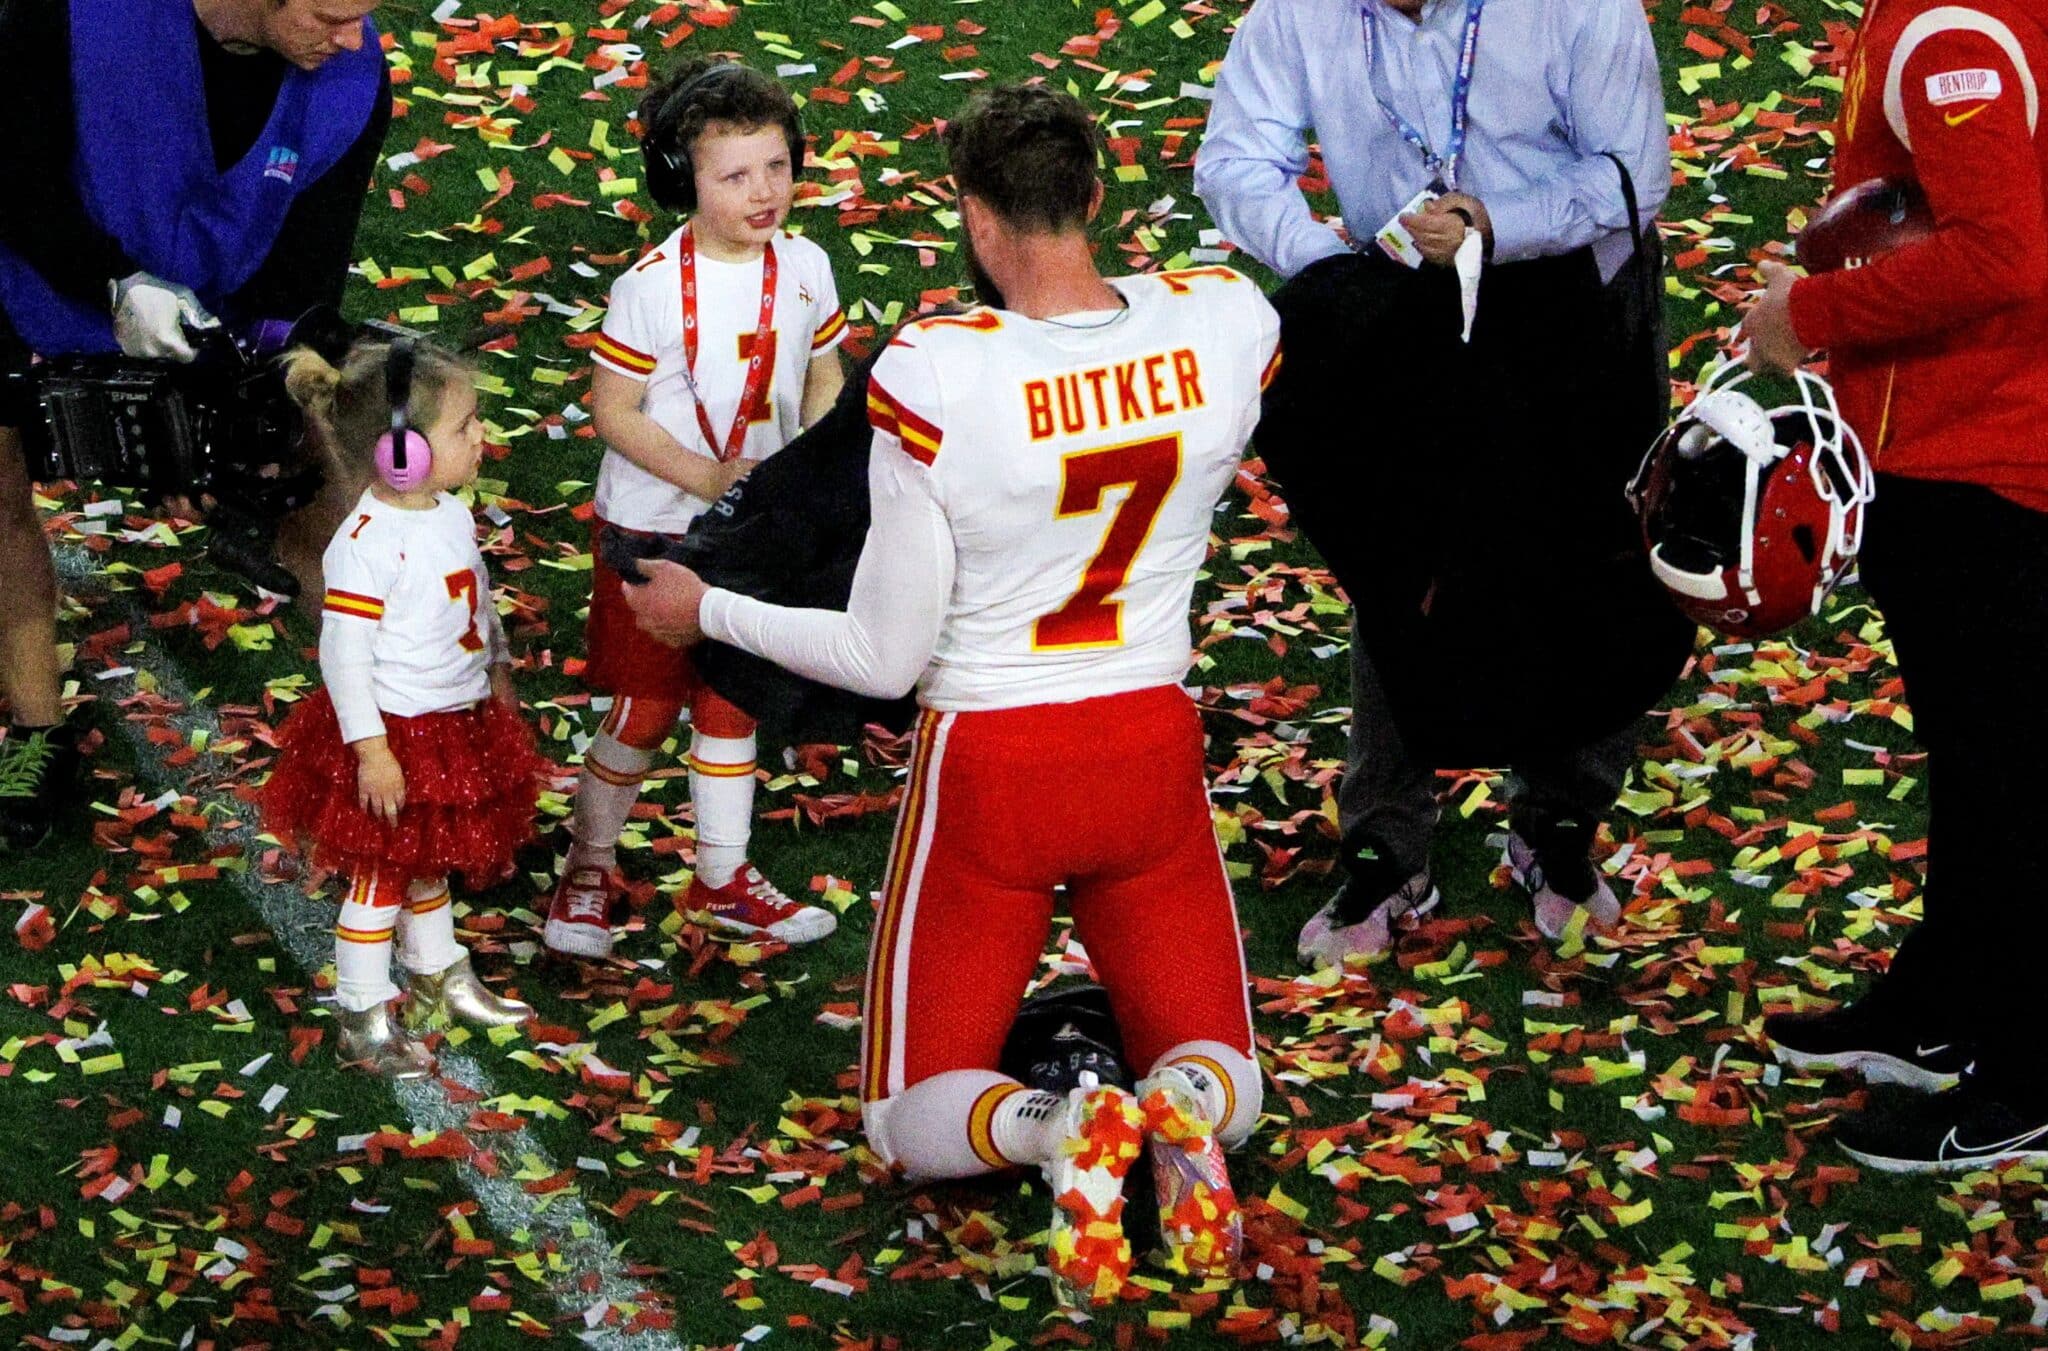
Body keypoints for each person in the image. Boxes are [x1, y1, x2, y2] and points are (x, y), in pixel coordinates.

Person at [623, 85, 1277, 1304]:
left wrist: (701, 608)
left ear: (975, 220)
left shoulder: (940, 369)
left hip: (997, 761)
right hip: (1146, 740)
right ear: (1093, 194)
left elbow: (882, 655)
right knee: (1219, 1059)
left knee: (904, 1110)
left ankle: (1052, 1129)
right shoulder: (1224, 321)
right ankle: (1181, 1105)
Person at [1195, 0, 1692, 967]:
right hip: (1402, 292)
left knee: (1600, 559)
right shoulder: (1301, 12)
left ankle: (1559, 823)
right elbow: (1234, 159)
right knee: (1399, 553)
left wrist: (1492, 227)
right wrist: (1329, 263)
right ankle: (1388, 847)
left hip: (1573, 292)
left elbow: (1634, 176)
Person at [1744, 0, 2048, 1172]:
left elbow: (2001, 252)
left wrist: (1808, 314)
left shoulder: (1952, 32)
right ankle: (1946, 999)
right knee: (1980, 762)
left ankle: (2023, 1069)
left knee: (2009, 772)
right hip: (1967, 445)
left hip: (1978, 455)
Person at [0, 0, 392, 851]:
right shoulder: (64, 14)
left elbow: (302, 280)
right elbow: (12, 171)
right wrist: (109, 281)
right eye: (331, 14)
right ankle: (37, 728)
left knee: (331, 515)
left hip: (215, 319)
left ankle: (401, 749)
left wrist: (223, 411)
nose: (355, 39)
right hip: (34, 277)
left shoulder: (355, 79)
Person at [541, 59, 847, 961]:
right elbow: (612, 411)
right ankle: (587, 865)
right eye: (735, 175)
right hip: (660, 526)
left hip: (751, 526)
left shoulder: (808, 265)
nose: (765, 192)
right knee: (643, 707)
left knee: (730, 702)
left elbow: (825, 371)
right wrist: (712, 477)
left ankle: (722, 873)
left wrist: (810, 458)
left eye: (778, 167)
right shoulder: (646, 288)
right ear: (683, 181)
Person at [260, 336, 545, 1079]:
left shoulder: (447, 512)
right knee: (381, 875)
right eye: (464, 426)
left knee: (431, 859)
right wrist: (371, 748)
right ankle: (360, 1011)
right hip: (397, 731)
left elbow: (474, 606)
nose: (482, 435)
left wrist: (496, 671)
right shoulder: (364, 542)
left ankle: (438, 969)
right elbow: (343, 652)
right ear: (399, 454)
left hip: (453, 718)